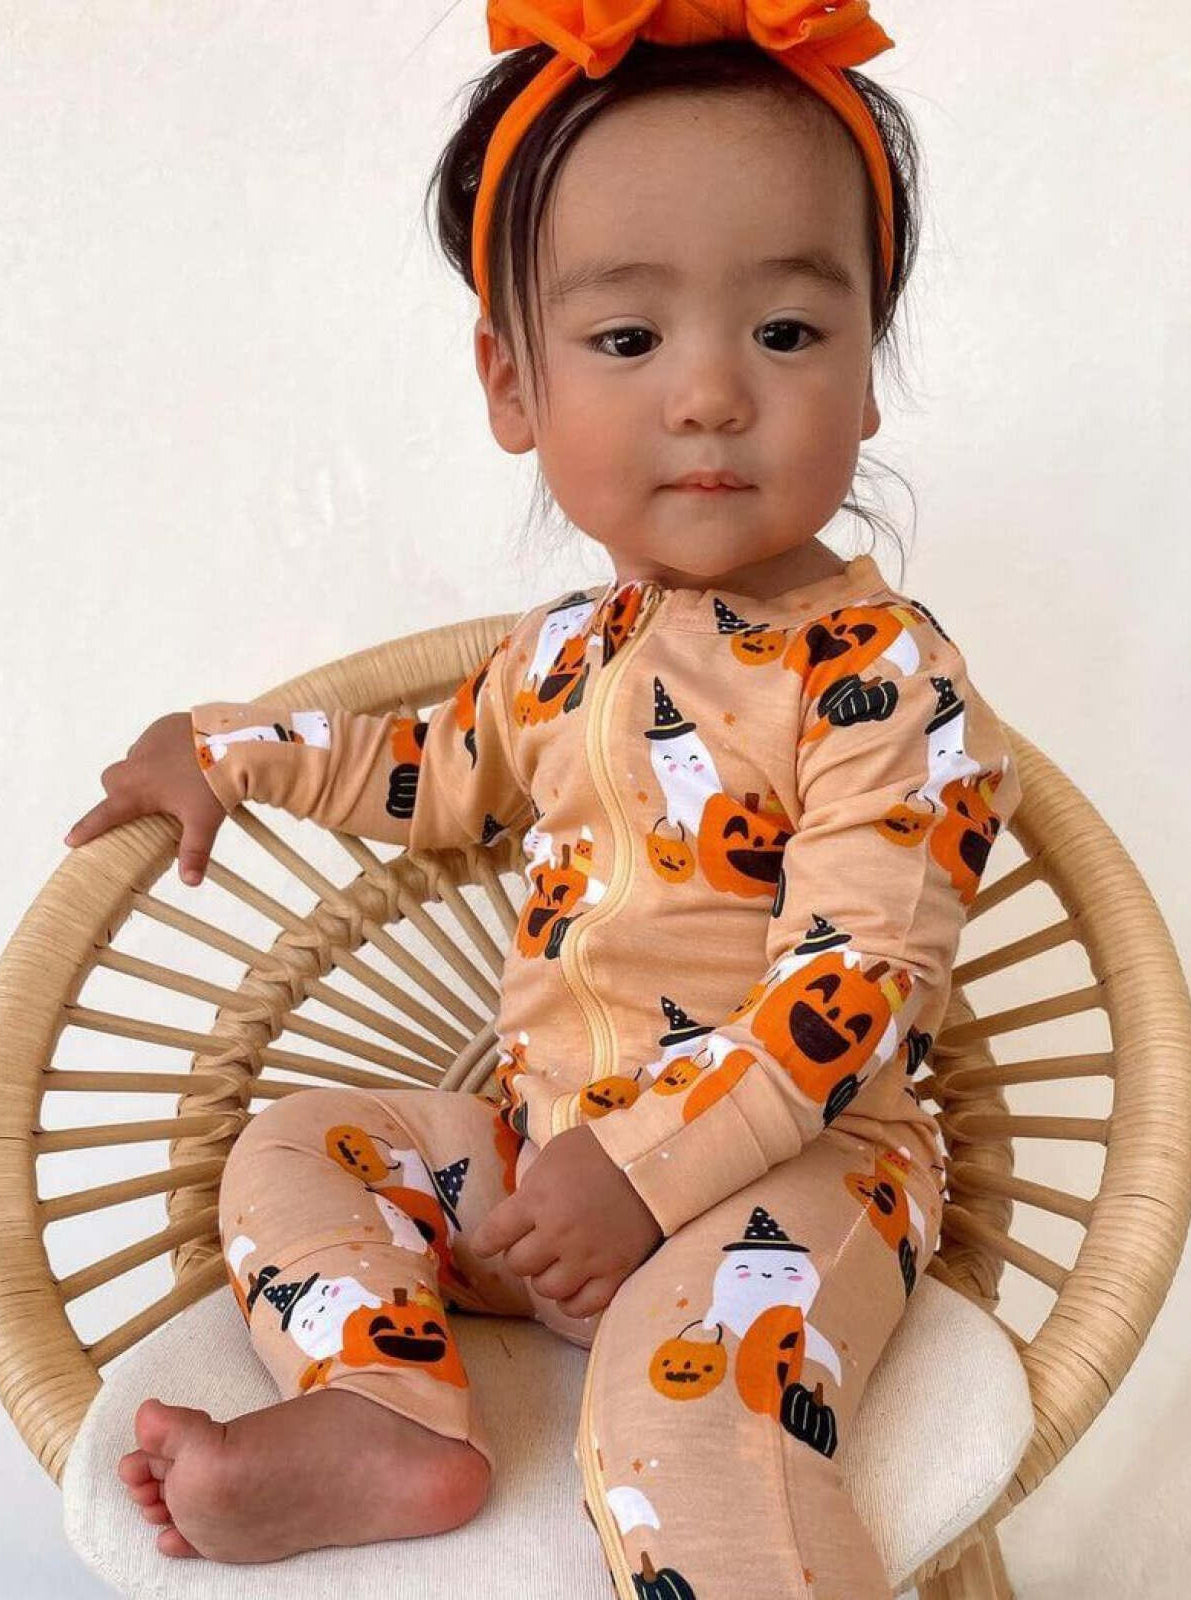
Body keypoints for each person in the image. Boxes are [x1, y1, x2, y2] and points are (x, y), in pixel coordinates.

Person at [62, 4, 1023, 1595]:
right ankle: (385, 1406)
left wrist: (644, 1175)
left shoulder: (883, 677)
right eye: (629, 340)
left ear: (869, 377)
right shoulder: (560, 657)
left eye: (787, 333)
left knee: (684, 1417)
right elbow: (423, 772)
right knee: (295, 1146)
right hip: (542, 1169)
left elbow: (854, 993)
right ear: (514, 383)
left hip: (788, 1177)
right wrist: (221, 748)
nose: (712, 394)